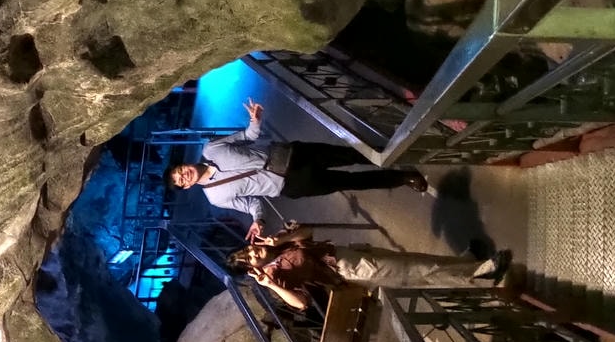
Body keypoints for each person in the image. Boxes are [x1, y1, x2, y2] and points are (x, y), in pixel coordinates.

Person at [166, 100, 428, 242]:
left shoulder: (211, 149)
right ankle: (402, 177)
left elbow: (247, 136)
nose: (185, 175)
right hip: (290, 185)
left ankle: (396, 151)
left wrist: (255, 121)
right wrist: (259, 221)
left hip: (291, 153)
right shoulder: (216, 197)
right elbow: (251, 204)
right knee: (350, 181)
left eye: (180, 170)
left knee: (348, 154)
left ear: (184, 164)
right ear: (186, 187)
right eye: (181, 180)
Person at [228, 224, 511, 311]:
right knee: (415, 272)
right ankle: (480, 274)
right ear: (254, 270)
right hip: (351, 270)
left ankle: (465, 262)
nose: (253, 251)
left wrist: (285, 237)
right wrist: (270, 284)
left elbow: (309, 231)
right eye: (250, 258)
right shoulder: (276, 273)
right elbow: (301, 303)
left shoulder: (277, 246)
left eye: (249, 249)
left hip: (351, 254)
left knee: (413, 260)